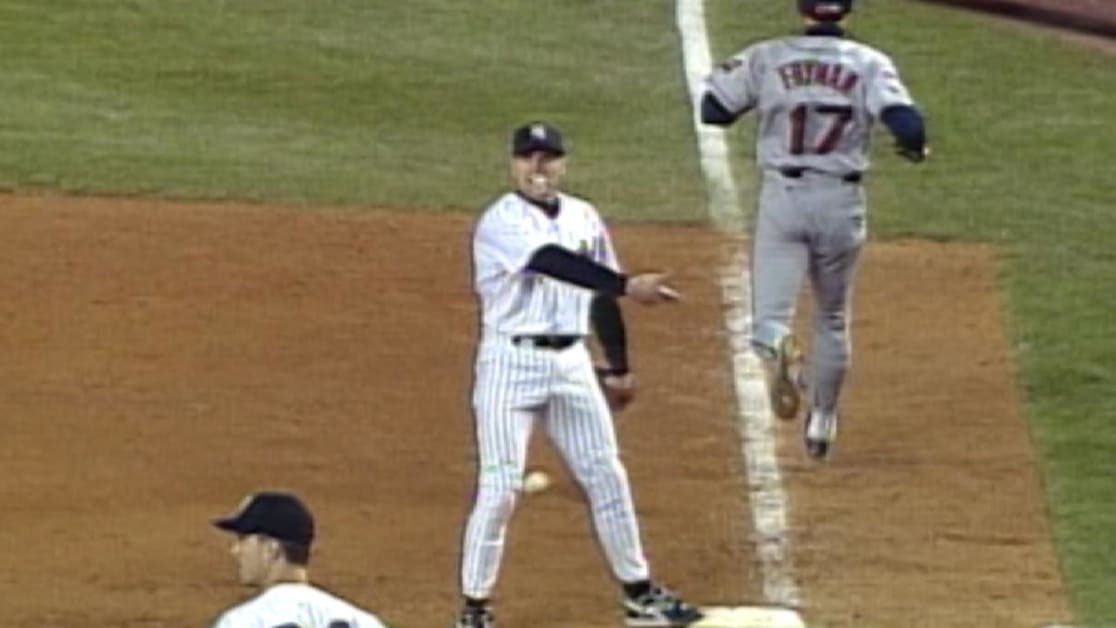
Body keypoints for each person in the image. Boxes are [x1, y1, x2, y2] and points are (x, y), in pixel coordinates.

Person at [454, 121, 703, 628]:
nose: (538, 167)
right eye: (528, 157)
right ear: (513, 165)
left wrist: (620, 366)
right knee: (500, 487)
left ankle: (639, 594)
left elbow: (599, 294)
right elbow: (550, 261)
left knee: (606, 474)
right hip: (510, 364)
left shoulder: (584, 216)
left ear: (563, 164)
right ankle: (475, 609)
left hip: (571, 363)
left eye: (547, 157)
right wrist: (628, 284)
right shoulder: (501, 221)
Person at [700, 0, 930, 460]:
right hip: (841, 204)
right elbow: (908, 124)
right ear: (847, 12)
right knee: (832, 317)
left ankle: (781, 346)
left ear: (802, 9)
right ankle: (823, 419)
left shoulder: (768, 56)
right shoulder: (869, 62)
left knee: (768, 321)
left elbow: (714, 111)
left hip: (785, 200)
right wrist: (914, 146)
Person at [210, 491, 388, 628]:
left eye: (243, 539)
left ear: (271, 549)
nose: (236, 550)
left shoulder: (240, 623)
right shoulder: (364, 622)